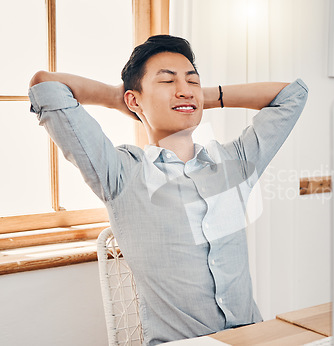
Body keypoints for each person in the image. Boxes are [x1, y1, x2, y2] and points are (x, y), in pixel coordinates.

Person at [29, 35, 308, 345]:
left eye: (192, 80)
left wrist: (196, 98)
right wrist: (121, 100)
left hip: (255, 337)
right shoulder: (121, 173)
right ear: (134, 99)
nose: (184, 88)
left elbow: (292, 95)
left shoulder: (235, 163)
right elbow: (46, 87)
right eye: (167, 81)